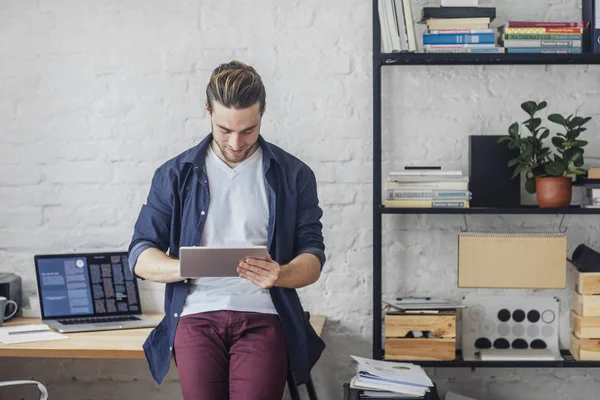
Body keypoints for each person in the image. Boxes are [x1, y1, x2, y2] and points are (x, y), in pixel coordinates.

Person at [128, 60, 326, 400]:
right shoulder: (174, 175)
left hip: (264, 315)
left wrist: (279, 274)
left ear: (263, 112)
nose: (236, 142)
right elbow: (140, 254)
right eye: (224, 129)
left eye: (248, 130)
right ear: (208, 111)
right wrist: (184, 267)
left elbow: (313, 256)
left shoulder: (294, 175)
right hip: (196, 315)